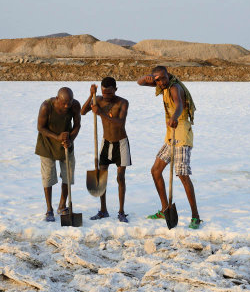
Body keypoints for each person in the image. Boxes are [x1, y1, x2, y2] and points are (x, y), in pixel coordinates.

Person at [137, 66, 201, 229]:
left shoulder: (174, 87)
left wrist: (174, 116)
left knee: (182, 175)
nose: (162, 82)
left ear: (168, 75)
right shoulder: (161, 85)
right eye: (158, 79)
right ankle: (165, 209)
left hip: (181, 134)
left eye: (163, 78)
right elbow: (139, 82)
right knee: (156, 171)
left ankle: (195, 217)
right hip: (170, 135)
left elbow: (179, 104)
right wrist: (147, 78)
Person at [81, 77, 131, 223]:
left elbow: (120, 123)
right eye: (104, 93)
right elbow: (83, 112)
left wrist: (100, 113)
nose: (107, 97)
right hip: (105, 143)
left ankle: (121, 211)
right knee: (101, 177)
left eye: (109, 94)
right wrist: (91, 96)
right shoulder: (98, 99)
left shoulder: (123, 102)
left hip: (121, 144)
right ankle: (103, 210)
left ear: (115, 90)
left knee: (120, 177)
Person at [35, 87, 81, 222]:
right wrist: (57, 137)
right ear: (57, 99)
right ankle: (49, 209)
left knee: (68, 175)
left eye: (69, 102)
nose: (67, 106)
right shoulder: (46, 106)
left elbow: (77, 125)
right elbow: (40, 127)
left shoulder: (75, 105)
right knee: (48, 176)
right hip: (47, 143)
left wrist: (70, 140)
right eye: (64, 103)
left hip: (66, 143)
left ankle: (62, 205)